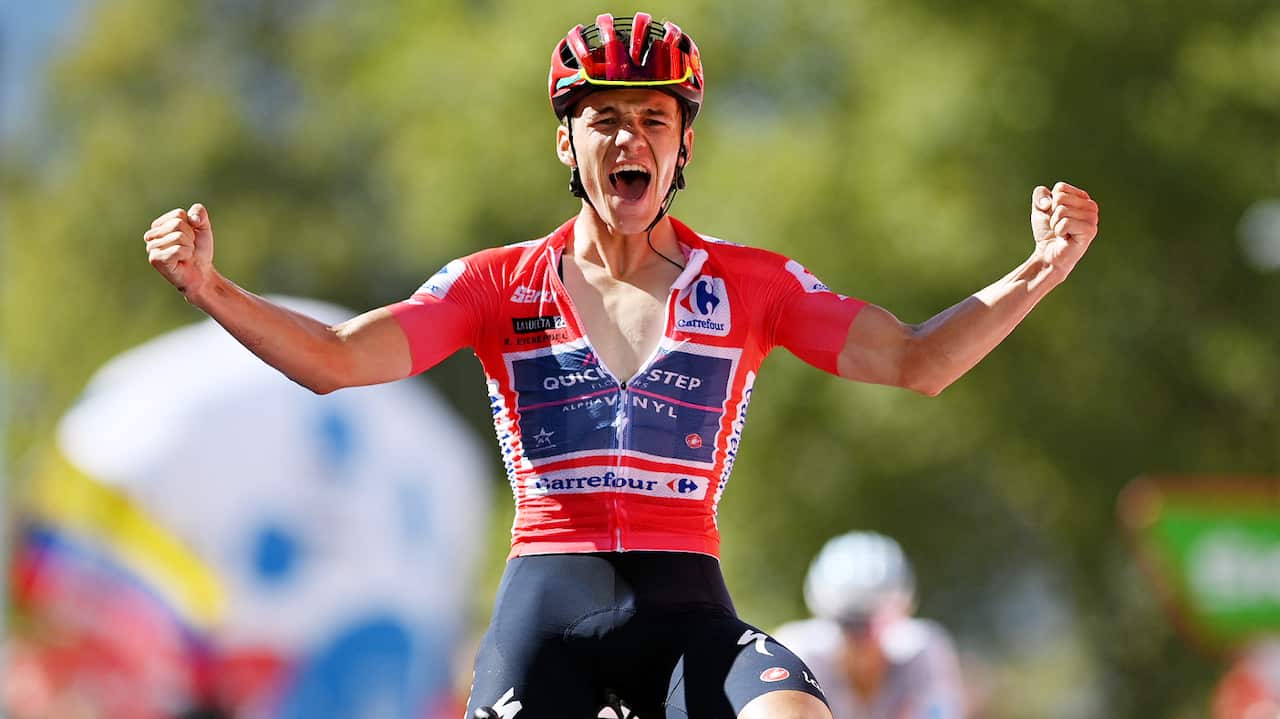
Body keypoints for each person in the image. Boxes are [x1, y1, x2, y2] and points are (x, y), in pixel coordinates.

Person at [141, 12, 1099, 719]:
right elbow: (337, 360)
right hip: (544, 608)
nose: (630, 137)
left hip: (688, 607)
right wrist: (212, 286)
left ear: (682, 143)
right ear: (568, 140)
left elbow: (918, 361)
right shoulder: (497, 283)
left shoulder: (753, 286)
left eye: (653, 117)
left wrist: (1044, 269)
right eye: (605, 119)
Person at [775, 532, 968, 719]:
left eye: (874, 625)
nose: (861, 639)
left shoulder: (923, 652)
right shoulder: (797, 655)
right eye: (848, 624)